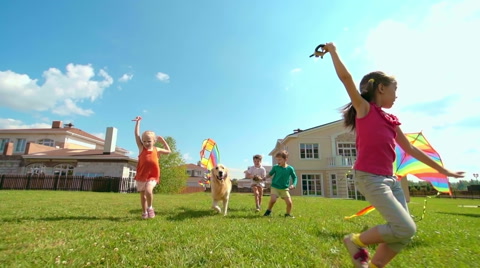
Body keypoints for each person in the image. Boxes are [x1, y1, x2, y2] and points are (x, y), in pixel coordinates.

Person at [315, 43, 464, 268]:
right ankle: (354, 240)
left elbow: (411, 149)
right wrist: (333, 51)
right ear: (381, 88)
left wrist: (442, 170)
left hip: (390, 180)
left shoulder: (391, 121)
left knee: (403, 234)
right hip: (369, 177)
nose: (397, 95)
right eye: (395, 89)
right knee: (406, 227)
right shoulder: (364, 109)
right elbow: (346, 78)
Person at [132, 116, 171, 219]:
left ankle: (150, 208)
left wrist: (163, 142)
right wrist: (138, 122)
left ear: (154, 141)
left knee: (149, 190)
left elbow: (169, 151)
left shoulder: (156, 149)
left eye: (149, 141)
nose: (146, 143)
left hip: (152, 176)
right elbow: (136, 135)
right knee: (143, 196)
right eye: (144, 141)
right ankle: (144, 212)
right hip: (141, 175)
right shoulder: (141, 148)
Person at [263, 150, 297, 217]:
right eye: (277, 160)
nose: (278, 162)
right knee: (273, 200)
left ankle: (287, 214)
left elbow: (295, 177)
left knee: (289, 203)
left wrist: (294, 184)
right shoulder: (276, 167)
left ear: (286, 159)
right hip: (275, 187)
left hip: (284, 188)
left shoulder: (290, 168)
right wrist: (264, 178)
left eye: (280, 160)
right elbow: (270, 174)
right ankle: (268, 211)